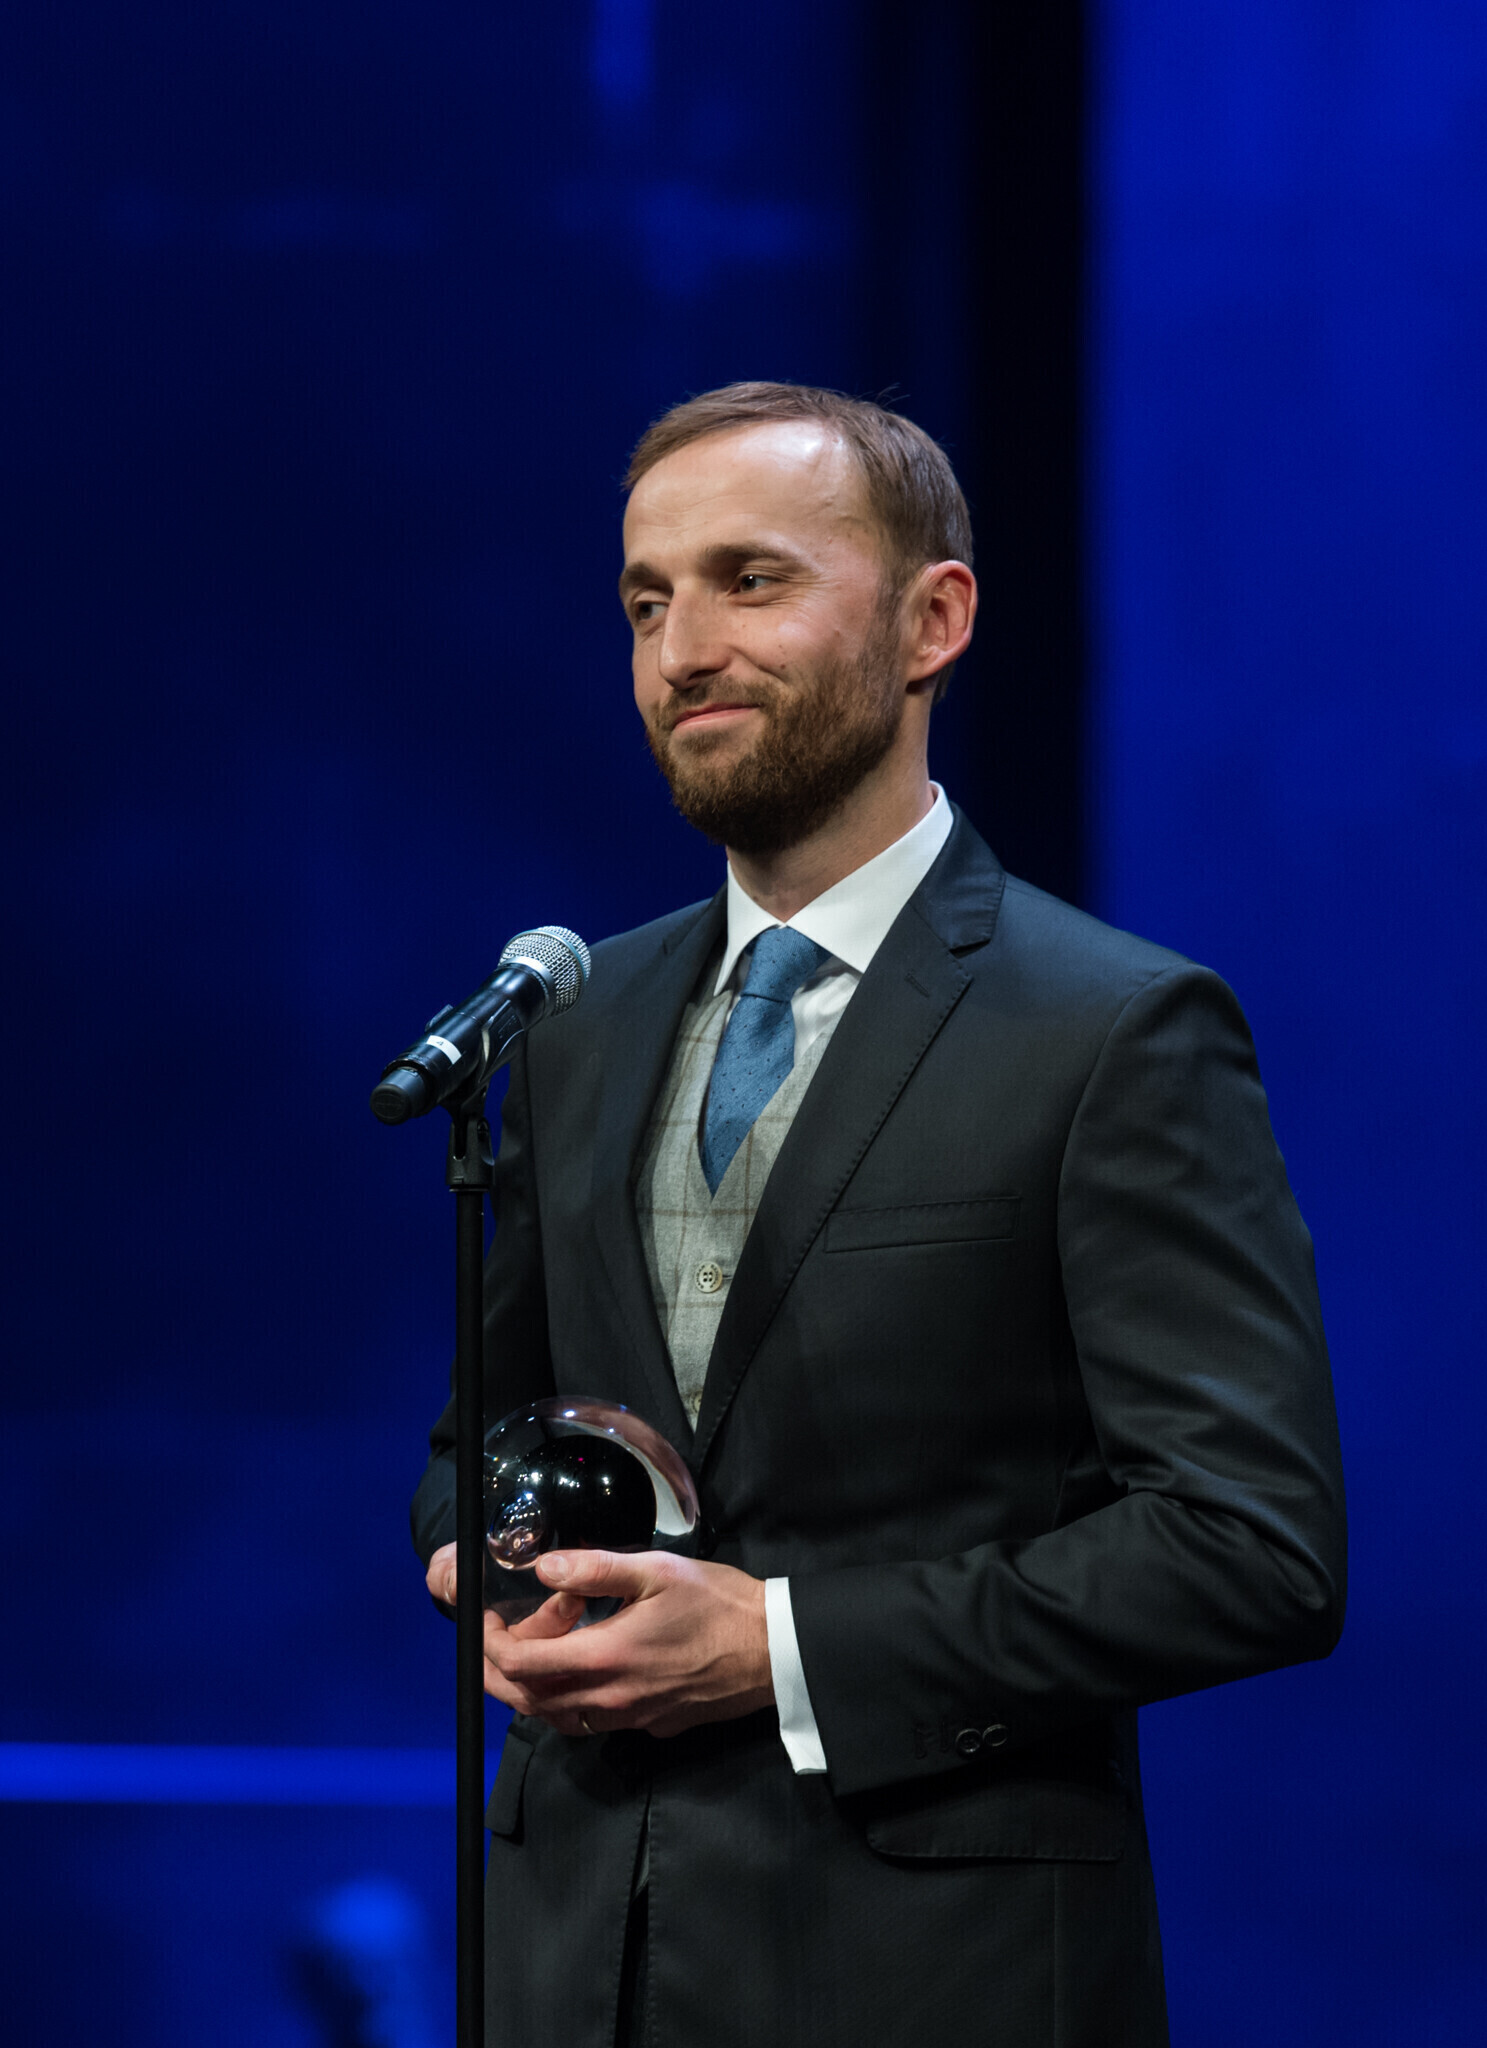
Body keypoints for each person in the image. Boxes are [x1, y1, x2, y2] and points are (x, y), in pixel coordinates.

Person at [412, 383, 1346, 2048]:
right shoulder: (571, 1023)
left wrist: (779, 1645)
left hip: (935, 1974)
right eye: (646, 600)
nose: (683, 648)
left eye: (749, 580)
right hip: (572, 1967)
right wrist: (482, 1567)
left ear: (934, 621)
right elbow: (471, 1440)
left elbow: (1250, 1549)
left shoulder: (1113, 1031)